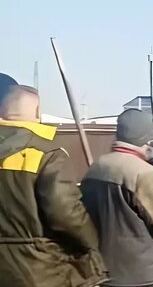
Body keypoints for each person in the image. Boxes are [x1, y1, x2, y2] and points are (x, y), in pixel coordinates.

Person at [0, 84, 107, 287]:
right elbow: (65, 212)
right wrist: (92, 241)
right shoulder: (46, 153)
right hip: (40, 269)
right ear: (38, 112)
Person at [81, 108, 153, 287]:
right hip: (139, 273)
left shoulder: (96, 167)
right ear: (149, 139)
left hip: (103, 268)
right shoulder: (143, 173)